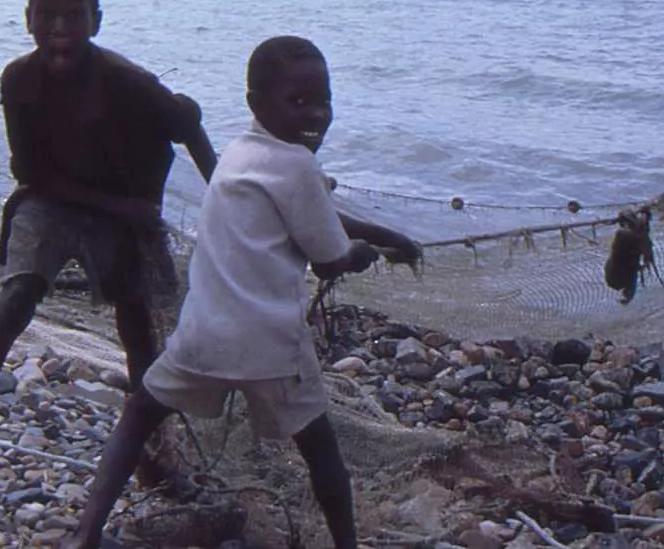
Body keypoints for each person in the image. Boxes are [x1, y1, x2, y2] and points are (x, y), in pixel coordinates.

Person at [56, 36, 421, 549]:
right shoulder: (297, 166)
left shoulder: (239, 154)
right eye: (298, 102)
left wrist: (385, 234)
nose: (315, 114)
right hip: (271, 345)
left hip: (203, 336)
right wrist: (370, 252)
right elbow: (330, 257)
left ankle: (86, 531)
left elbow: (309, 214)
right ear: (257, 103)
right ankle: (345, 543)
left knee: (140, 413)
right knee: (320, 449)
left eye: (324, 101)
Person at [0, 0, 217, 516]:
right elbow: (30, 175)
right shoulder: (18, 80)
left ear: (96, 22)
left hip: (123, 213)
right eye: (47, 15)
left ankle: (153, 456)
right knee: (16, 297)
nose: (60, 28)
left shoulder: (129, 83)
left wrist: (231, 213)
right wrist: (115, 204)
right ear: (28, 20)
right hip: (57, 199)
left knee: (139, 331)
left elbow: (191, 131)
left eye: (74, 16)